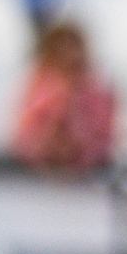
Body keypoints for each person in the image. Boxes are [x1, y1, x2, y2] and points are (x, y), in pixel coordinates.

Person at [14, 21, 117, 172]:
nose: (68, 54)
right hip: (36, 172)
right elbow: (25, 132)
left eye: (72, 47)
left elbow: (104, 135)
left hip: (87, 171)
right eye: (61, 48)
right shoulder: (37, 87)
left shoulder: (96, 90)